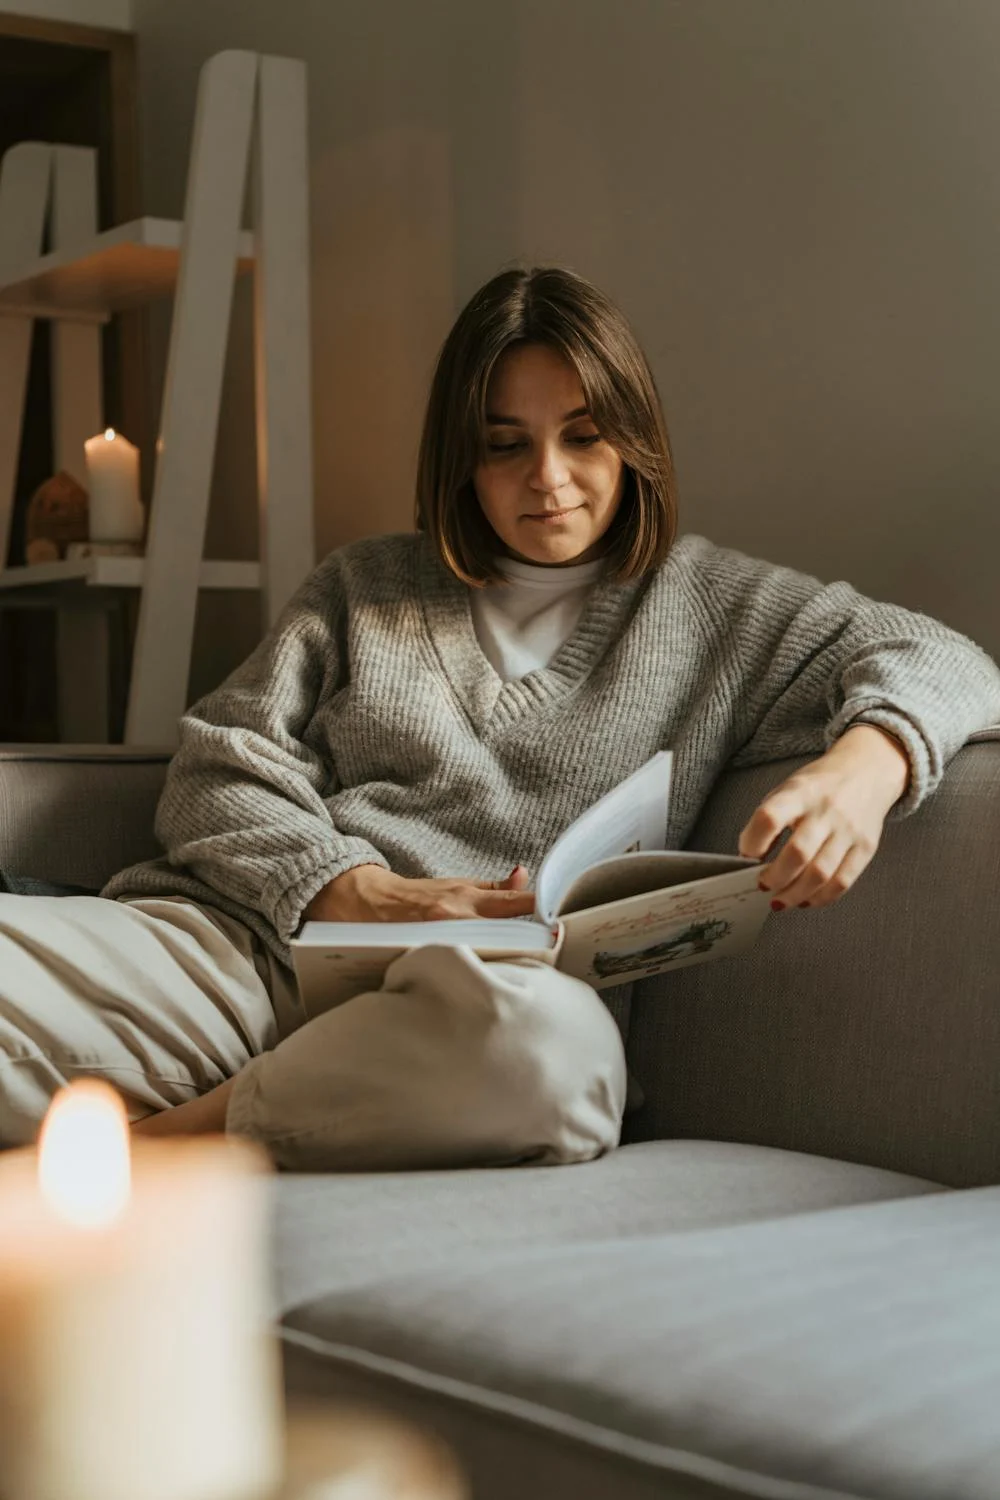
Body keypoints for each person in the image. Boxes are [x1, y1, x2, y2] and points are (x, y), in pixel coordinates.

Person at [2, 265, 999, 1168]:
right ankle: (280, 1107)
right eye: (504, 445)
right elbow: (218, 770)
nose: (548, 480)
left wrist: (862, 771)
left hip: (479, 1012)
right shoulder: (364, 584)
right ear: (460, 459)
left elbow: (944, 658)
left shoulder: (715, 609)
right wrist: (371, 894)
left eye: (583, 435)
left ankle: (170, 1142)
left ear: (633, 439)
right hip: (248, 960)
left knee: (557, 1067)